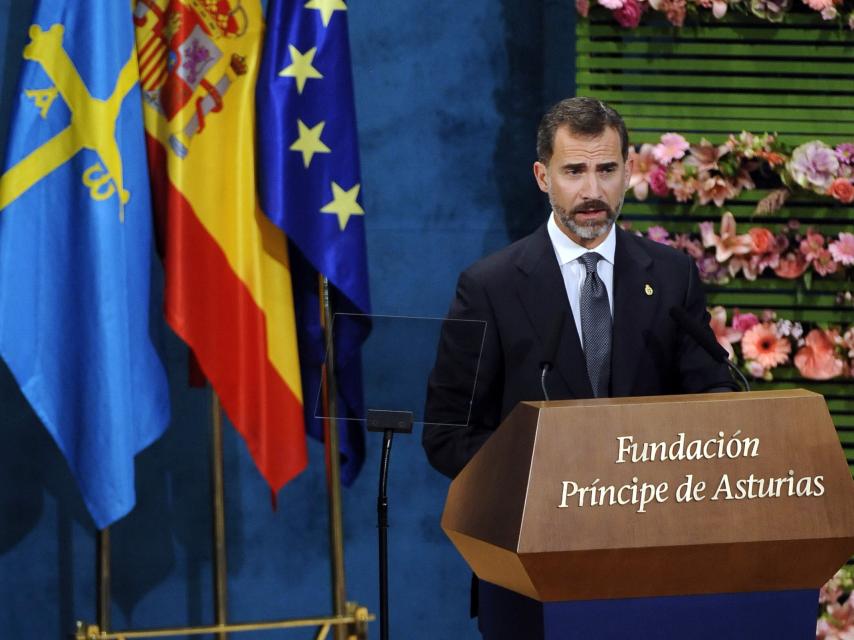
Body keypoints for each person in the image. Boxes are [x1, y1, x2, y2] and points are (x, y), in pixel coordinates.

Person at [422, 96, 736, 480]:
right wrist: (545, 473)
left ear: (628, 171)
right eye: (574, 171)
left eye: (606, 170)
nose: (593, 191)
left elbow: (714, 397)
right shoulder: (490, 287)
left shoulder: (673, 276)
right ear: (542, 176)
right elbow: (448, 433)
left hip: (650, 510)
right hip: (538, 519)